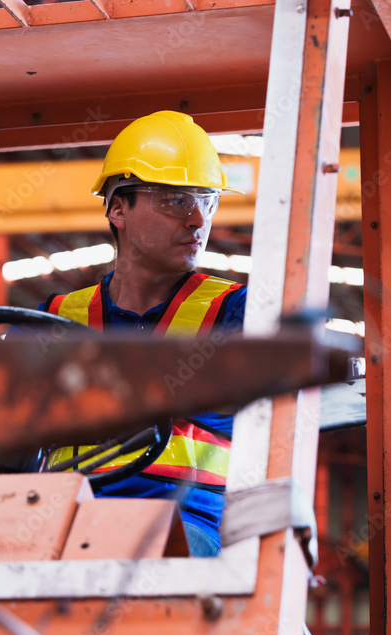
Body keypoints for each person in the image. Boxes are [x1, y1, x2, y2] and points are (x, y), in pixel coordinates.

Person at [41, 111, 246, 557]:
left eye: (207, 200)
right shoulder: (56, 317)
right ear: (118, 210)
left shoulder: (234, 311)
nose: (197, 219)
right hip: (62, 520)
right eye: (175, 201)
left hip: (184, 525)